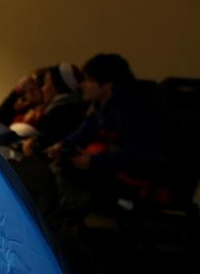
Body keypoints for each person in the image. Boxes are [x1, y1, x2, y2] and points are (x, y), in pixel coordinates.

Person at [46, 53, 161, 211]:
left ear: (107, 84)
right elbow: (84, 132)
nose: (82, 85)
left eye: (88, 80)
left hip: (134, 173)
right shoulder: (102, 106)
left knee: (64, 174)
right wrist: (62, 146)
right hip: (113, 166)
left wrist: (93, 161)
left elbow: (137, 152)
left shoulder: (129, 110)